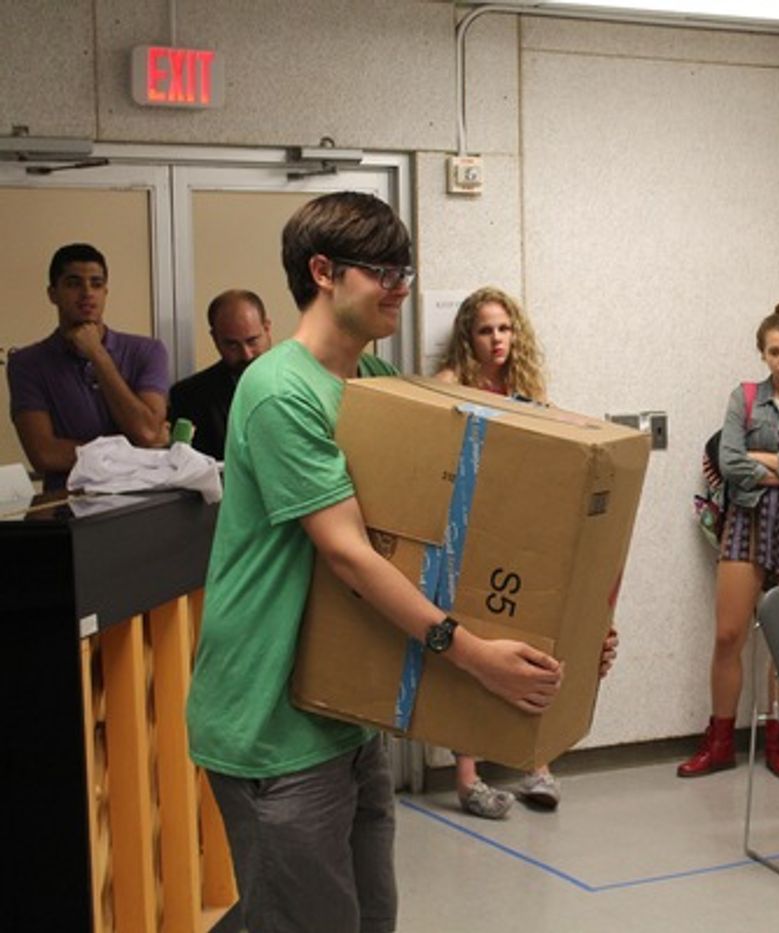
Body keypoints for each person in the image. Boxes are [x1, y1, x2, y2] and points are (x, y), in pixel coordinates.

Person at [185, 193, 566, 933]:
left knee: (366, 917)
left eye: (405, 271)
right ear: (323, 272)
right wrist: (472, 655)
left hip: (344, 713)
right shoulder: (279, 390)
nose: (400, 288)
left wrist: (553, 628)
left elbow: (428, 538)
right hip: (270, 721)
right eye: (384, 272)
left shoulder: (372, 378)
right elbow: (351, 555)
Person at [678, 300, 779, 780]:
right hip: (748, 520)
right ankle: (719, 742)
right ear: (763, 354)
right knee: (728, 635)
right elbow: (730, 462)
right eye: (775, 351)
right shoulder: (745, 398)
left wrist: (763, 458)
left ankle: (778, 740)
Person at [434, 285, 566, 817]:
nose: (497, 340)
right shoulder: (450, 383)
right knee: (470, 647)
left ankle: (536, 762)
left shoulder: (526, 387)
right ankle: (468, 779)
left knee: (530, 641)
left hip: (519, 527)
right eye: (486, 330)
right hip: (465, 525)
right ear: (469, 336)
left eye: (505, 329)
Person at [7, 243, 169, 490]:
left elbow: (146, 432)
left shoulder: (148, 351)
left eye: (96, 283)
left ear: (105, 292)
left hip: (142, 500)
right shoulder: (27, 364)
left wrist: (97, 353)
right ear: (52, 294)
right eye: (73, 284)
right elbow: (44, 454)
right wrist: (135, 453)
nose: (87, 293)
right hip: (70, 504)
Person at [168, 289, 273, 459]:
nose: (246, 354)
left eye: (252, 341)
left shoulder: (302, 382)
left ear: (267, 329)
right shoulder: (189, 396)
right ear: (215, 338)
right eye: (232, 345)